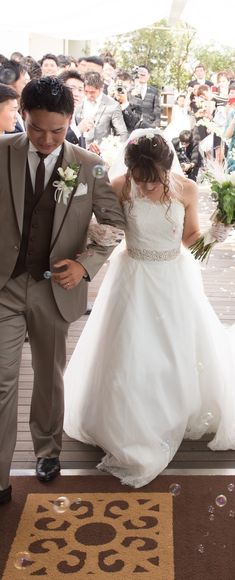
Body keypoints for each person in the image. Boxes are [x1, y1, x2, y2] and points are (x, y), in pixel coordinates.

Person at [64, 129, 235, 488]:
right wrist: (94, 234)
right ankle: (126, 418)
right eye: (139, 179)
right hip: (132, 276)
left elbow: (190, 238)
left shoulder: (187, 189)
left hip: (172, 277)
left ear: (168, 168)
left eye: (154, 179)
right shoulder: (119, 186)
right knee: (128, 350)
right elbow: (108, 230)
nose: (146, 186)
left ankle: (175, 408)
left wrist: (215, 233)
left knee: (175, 348)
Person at [0, 77, 125, 504]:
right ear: (22, 116)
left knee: (49, 376)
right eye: (36, 128)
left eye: (57, 130)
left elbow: (115, 223)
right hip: (5, 286)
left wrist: (85, 264)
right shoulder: (2, 151)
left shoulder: (89, 165)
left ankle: (47, 451)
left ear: (71, 119)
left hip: (55, 288)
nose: (47, 139)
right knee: (2, 380)